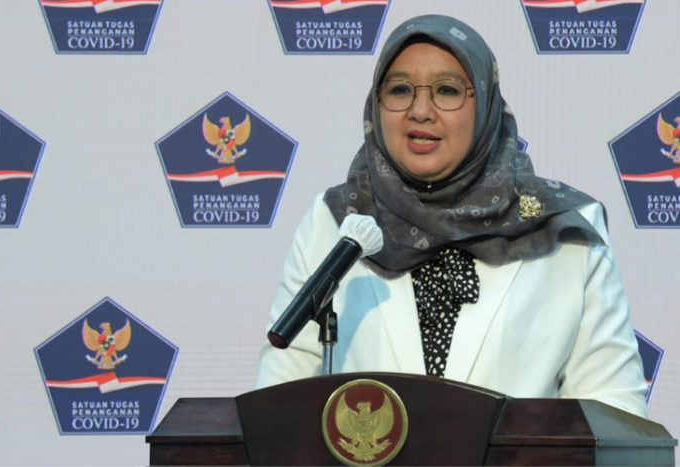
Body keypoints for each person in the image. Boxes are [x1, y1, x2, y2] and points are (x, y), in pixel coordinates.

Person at [256, 14, 647, 418]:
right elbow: (276, 408)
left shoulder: (562, 229)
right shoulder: (334, 221)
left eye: (447, 90)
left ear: (486, 104)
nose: (420, 111)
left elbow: (615, 412)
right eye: (400, 90)